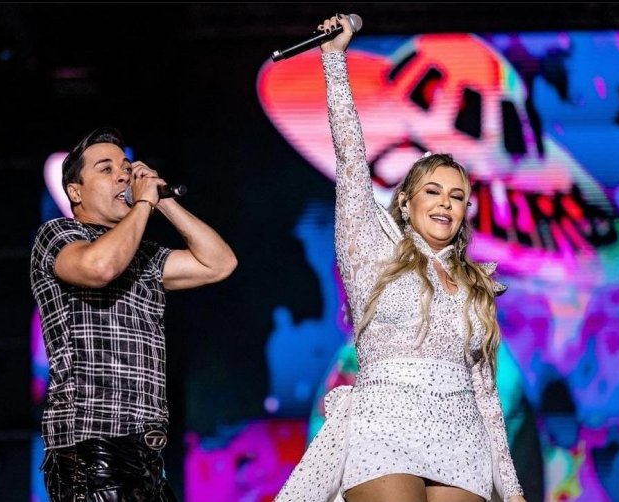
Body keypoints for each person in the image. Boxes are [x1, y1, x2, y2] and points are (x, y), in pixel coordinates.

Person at [275, 15, 527, 502]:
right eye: (432, 191)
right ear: (406, 203)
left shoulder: (476, 285)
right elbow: (351, 158)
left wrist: (512, 491)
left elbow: (486, 396)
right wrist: (334, 60)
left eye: (457, 196)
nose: (445, 203)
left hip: (462, 436)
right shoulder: (371, 251)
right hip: (384, 424)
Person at [30, 126, 237, 501]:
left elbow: (219, 263)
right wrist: (142, 205)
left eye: (126, 168)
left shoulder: (145, 257)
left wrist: (162, 201)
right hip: (92, 451)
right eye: (106, 169)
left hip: (146, 456)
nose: (123, 176)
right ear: (75, 192)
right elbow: (100, 268)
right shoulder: (58, 235)